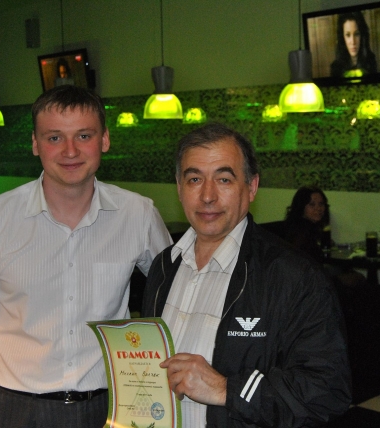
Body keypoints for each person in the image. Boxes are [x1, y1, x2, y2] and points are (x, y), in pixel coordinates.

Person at [0, 85, 172, 428]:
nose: (70, 150)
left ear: (104, 140)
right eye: (54, 138)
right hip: (17, 411)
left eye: (84, 135)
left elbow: (178, 296)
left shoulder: (138, 214)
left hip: (110, 407)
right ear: (35, 144)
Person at [141, 123, 351, 427]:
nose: (207, 196)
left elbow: (327, 391)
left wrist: (226, 389)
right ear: (179, 187)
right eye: (195, 179)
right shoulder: (164, 266)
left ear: (251, 187)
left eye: (224, 179)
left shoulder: (294, 276)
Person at [284, 186, 366, 289]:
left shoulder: (312, 228)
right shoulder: (300, 231)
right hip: (310, 282)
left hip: (316, 276)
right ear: (301, 207)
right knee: (357, 279)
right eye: (312, 205)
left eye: (321, 204)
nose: (318, 208)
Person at [330, 11, 377, 78]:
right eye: (348, 35)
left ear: (362, 36)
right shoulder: (336, 68)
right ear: (342, 38)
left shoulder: (371, 62)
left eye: (356, 34)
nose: (353, 42)